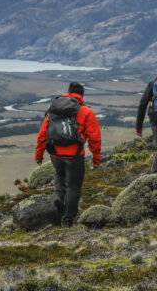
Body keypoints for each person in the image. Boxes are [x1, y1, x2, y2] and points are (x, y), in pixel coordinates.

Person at [35, 82, 101, 227]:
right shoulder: (86, 111)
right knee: (73, 187)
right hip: (75, 155)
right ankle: (67, 219)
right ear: (81, 96)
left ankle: (58, 196)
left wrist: (39, 155)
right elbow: (95, 137)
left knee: (59, 174)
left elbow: (42, 134)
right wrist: (96, 159)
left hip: (56, 154)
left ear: (68, 92)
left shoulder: (53, 109)